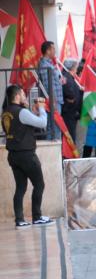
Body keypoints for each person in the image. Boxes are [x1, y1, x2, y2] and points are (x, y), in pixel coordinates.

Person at [2, 85, 54, 228]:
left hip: (13, 155)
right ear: (17, 96)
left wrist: (33, 112)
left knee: (20, 188)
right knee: (39, 184)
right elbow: (43, 123)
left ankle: (20, 220)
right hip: (26, 155)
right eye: (23, 94)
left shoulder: (6, 112)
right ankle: (36, 217)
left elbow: (21, 126)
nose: (25, 96)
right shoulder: (21, 112)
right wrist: (42, 108)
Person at [38, 41, 63, 139]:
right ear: (48, 51)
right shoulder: (45, 65)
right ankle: (53, 152)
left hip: (56, 100)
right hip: (53, 101)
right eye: (53, 49)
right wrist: (52, 101)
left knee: (55, 127)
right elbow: (47, 84)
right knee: (53, 127)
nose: (55, 51)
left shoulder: (50, 64)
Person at [61, 58, 82, 143]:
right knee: (70, 136)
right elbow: (69, 92)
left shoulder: (69, 77)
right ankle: (68, 156)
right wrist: (72, 98)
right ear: (72, 67)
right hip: (69, 112)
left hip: (72, 113)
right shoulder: (66, 77)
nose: (77, 68)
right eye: (76, 66)